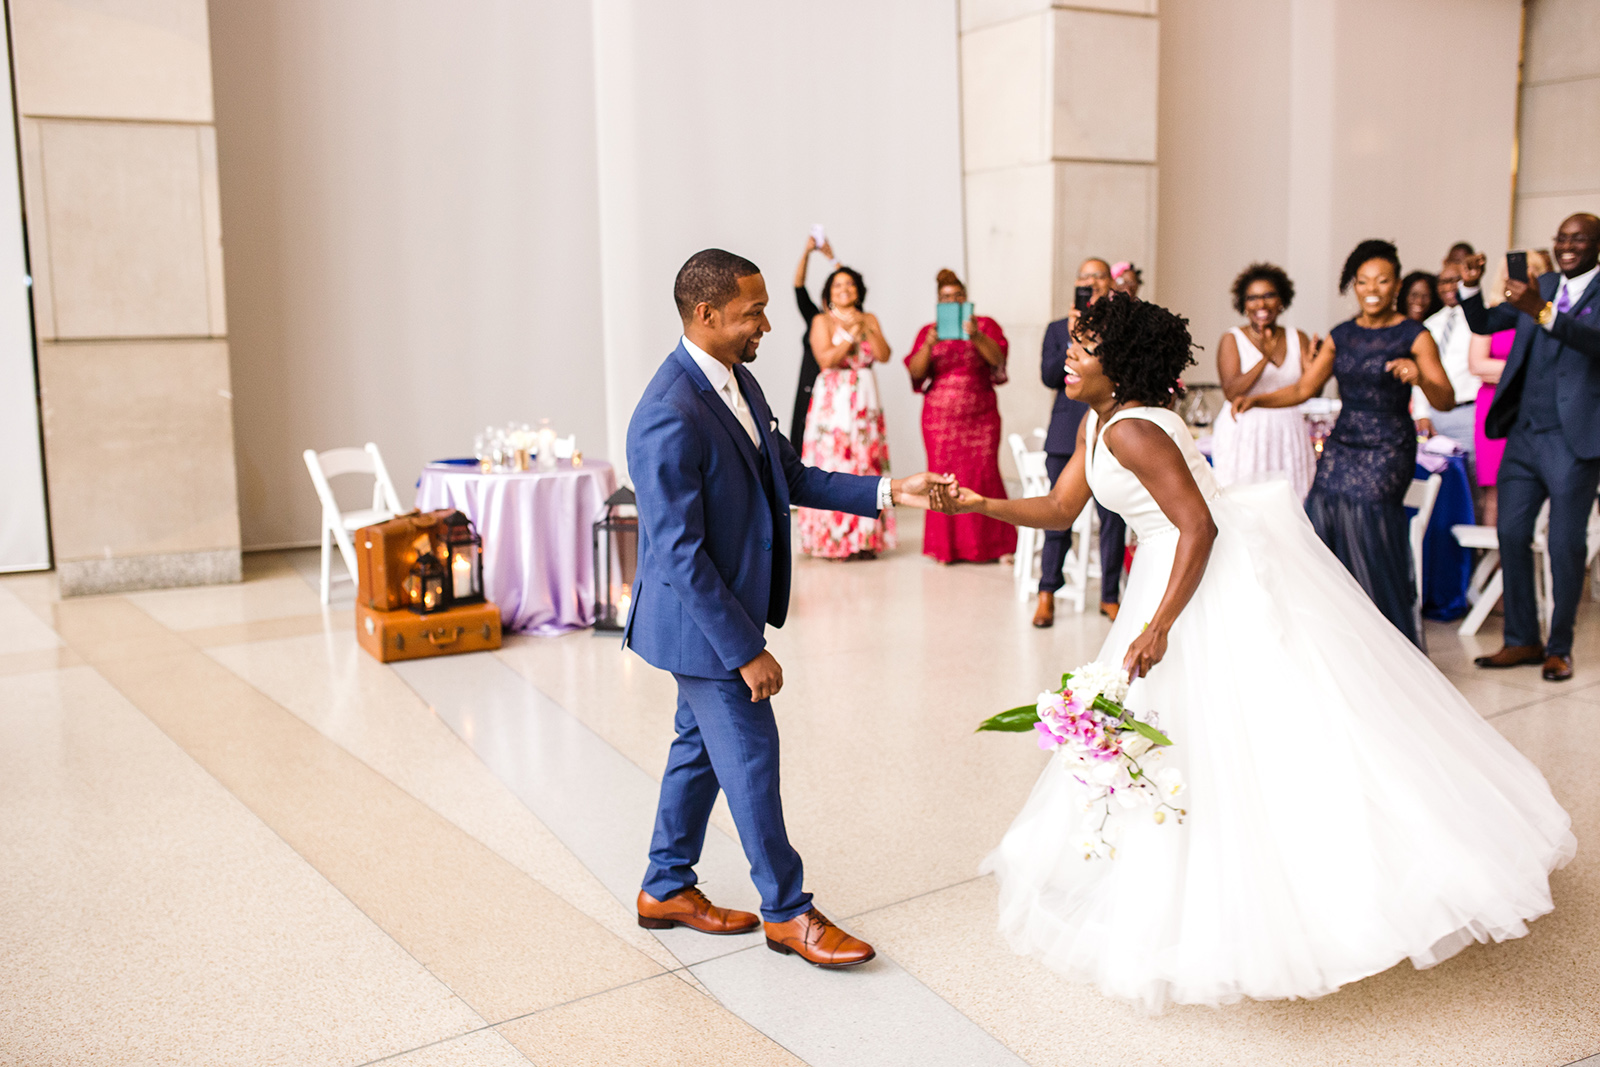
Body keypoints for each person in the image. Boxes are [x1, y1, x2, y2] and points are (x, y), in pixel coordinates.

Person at [934, 293, 1573, 1010]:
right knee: (1179, 732)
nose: (1069, 358)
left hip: (1198, 576)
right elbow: (1058, 509)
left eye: (1084, 346)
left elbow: (1198, 527)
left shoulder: (1133, 431)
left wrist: (1160, 624)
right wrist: (978, 505)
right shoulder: (1100, 420)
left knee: (1247, 726)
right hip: (1167, 570)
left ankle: (1289, 892)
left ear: (1120, 362)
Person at [625, 248, 951, 966]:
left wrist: (888, 491)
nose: (767, 324)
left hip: (719, 613)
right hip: (703, 624)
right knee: (750, 752)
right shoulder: (667, 413)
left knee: (697, 752)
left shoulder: (738, 380)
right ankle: (787, 910)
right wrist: (744, 648)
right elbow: (679, 555)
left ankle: (665, 884)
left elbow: (790, 473)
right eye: (753, 312)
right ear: (706, 315)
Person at [1233, 240, 1454, 646]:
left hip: (1388, 447)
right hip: (1344, 443)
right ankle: (1334, 642)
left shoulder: (1414, 334)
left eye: (1382, 281)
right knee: (1321, 519)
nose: (1372, 288)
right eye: (1364, 281)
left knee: (1370, 530)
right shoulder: (1342, 335)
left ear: (1397, 285)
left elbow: (1446, 397)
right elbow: (1303, 388)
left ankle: (1386, 643)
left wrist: (1419, 376)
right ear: (1354, 286)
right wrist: (1256, 400)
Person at [1459, 213, 1600, 682]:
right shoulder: (1545, 282)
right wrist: (1470, 288)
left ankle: (1559, 647)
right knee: (1511, 534)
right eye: (1561, 237)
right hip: (1523, 434)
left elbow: (1591, 341)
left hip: (1574, 438)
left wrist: (1541, 309)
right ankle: (1521, 640)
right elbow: (1485, 320)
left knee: (1563, 545)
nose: (1566, 245)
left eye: (1578, 239)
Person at [1035, 258, 1129, 626]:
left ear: (1110, 283)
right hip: (1065, 432)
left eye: (1099, 276)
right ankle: (1047, 594)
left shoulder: (1120, 326)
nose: (1091, 282)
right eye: (1085, 277)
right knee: (1056, 514)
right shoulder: (1058, 328)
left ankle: (1109, 596)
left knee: (1114, 517)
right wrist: (1076, 334)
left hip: (1111, 429)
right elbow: (1048, 375)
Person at [906, 269, 1017, 564]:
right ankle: (947, 548)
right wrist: (928, 344)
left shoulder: (985, 326)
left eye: (958, 296)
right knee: (943, 478)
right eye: (946, 297)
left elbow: (998, 360)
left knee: (984, 474)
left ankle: (996, 545)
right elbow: (916, 372)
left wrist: (977, 336)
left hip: (981, 415)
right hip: (939, 420)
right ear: (938, 301)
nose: (952, 301)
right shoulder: (928, 331)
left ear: (966, 298)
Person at [798, 265, 895, 559]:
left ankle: (864, 540)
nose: (845, 290)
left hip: (864, 401)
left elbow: (884, 355)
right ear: (829, 293)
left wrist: (866, 329)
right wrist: (850, 337)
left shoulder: (869, 318)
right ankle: (833, 540)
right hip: (834, 399)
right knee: (835, 464)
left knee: (865, 464)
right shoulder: (821, 321)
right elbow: (825, 359)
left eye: (850, 284)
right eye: (838, 285)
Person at [1210, 263, 1318, 499]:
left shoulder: (1296, 336)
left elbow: (1310, 389)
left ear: (1281, 301)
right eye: (1253, 298)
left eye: (1269, 295)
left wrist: (1314, 367)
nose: (1261, 304)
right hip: (1245, 431)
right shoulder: (1232, 338)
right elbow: (1232, 392)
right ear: (1243, 304)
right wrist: (1265, 357)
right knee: (1245, 501)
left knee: (1292, 501)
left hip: (1288, 430)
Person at [1468, 251, 1554, 526]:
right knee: (1493, 491)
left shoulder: (1550, 311)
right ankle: (1495, 562)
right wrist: (1524, 370)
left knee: (1538, 490)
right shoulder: (1502, 310)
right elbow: (1478, 364)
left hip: (1536, 409)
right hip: (1496, 405)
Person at [1414, 260, 1480, 472]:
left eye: (1455, 281)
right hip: (1433, 415)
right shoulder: (1430, 324)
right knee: (1434, 484)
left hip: (1467, 413)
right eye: (1443, 282)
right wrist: (1422, 413)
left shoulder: (1479, 320)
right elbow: (1420, 374)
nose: (1448, 287)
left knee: (1470, 486)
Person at [788, 235, 832, 447]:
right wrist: (806, 253)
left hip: (836, 390)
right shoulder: (816, 319)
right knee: (802, 436)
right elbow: (799, 287)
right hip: (810, 382)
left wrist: (833, 260)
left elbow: (849, 286)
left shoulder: (853, 323)